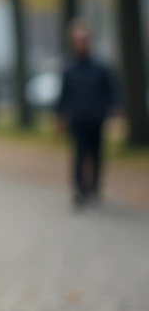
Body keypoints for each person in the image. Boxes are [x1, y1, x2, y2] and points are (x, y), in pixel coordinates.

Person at [56, 20, 119, 209]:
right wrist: (60, 115)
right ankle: (78, 188)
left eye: (84, 40)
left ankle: (94, 187)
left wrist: (115, 108)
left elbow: (111, 90)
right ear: (73, 43)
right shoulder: (69, 68)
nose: (82, 44)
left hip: (96, 117)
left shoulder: (101, 67)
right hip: (78, 118)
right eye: (78, 40)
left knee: (97, 154)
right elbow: (64, 94)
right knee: (80, 153)